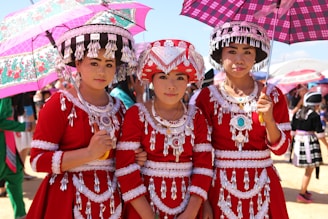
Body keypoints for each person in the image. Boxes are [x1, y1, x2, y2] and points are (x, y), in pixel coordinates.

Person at [26, 23, 140, 218]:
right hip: (67, 201)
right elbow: (37, 161)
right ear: (77, 64)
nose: (102, 72)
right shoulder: (59, 103)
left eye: (109, 64)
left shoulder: (120, 107)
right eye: (94, 63)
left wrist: (135, 156)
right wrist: (89, 153)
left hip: (114, 200)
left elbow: (121, 155)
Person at [195, 21, 291, 219]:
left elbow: (281, 150)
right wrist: (202, 200)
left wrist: (270, 120)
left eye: (247, 52)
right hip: (218, 187)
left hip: (265, 187)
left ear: (256, 56)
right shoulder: (205, 97)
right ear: (220, 54)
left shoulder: (272, 95)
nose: (239, 59)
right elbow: (198, 154)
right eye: (232, 51)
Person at [115, 39, 213, 219]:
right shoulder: (136, 114)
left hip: (189, 209)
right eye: (163, 76)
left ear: (189, 81)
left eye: (180, 77)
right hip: (142, 209)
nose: (171, 85)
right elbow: (125, 168)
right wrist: (148, 216)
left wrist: (190, 213)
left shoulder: (197, 116)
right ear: (151, 79)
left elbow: (204, 167)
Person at [291, 91, 328, 203]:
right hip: (309, 143)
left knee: (309, 169)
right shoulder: (314, 115)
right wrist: (327, 145)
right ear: (316, 104)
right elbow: (320, 134)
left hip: (298, 142)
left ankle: (304, 191)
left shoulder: (297, 113)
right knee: (309, 169)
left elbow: (292, 131)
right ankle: (302, 194)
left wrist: (290, 147)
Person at [0, 97, 34, 219]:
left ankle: (20, 215)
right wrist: (24, 126)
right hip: (3, 146)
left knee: (15, 177)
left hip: (9, 144)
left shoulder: (7, 92)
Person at [12, 92, 36, 180]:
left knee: (24, 147)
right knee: (23, 146)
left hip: (18, 119)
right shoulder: (23, 89)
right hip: (22, 119)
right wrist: (32, 121)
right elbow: (27, 104)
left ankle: (21, 170)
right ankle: (20, 170)